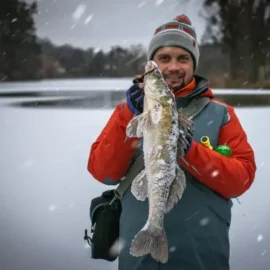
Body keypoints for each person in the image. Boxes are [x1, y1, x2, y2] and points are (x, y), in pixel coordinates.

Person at [87, 14, 256, 270]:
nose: (173, 67)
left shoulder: (221, 114)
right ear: (152, 64)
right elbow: (103, 172)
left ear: (193, 63)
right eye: (164, 59)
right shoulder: (128, 111)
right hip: (138, 260)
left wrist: (189, 150)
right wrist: (128, 114)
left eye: (183, 58)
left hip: (202, 258)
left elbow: (240, 180)